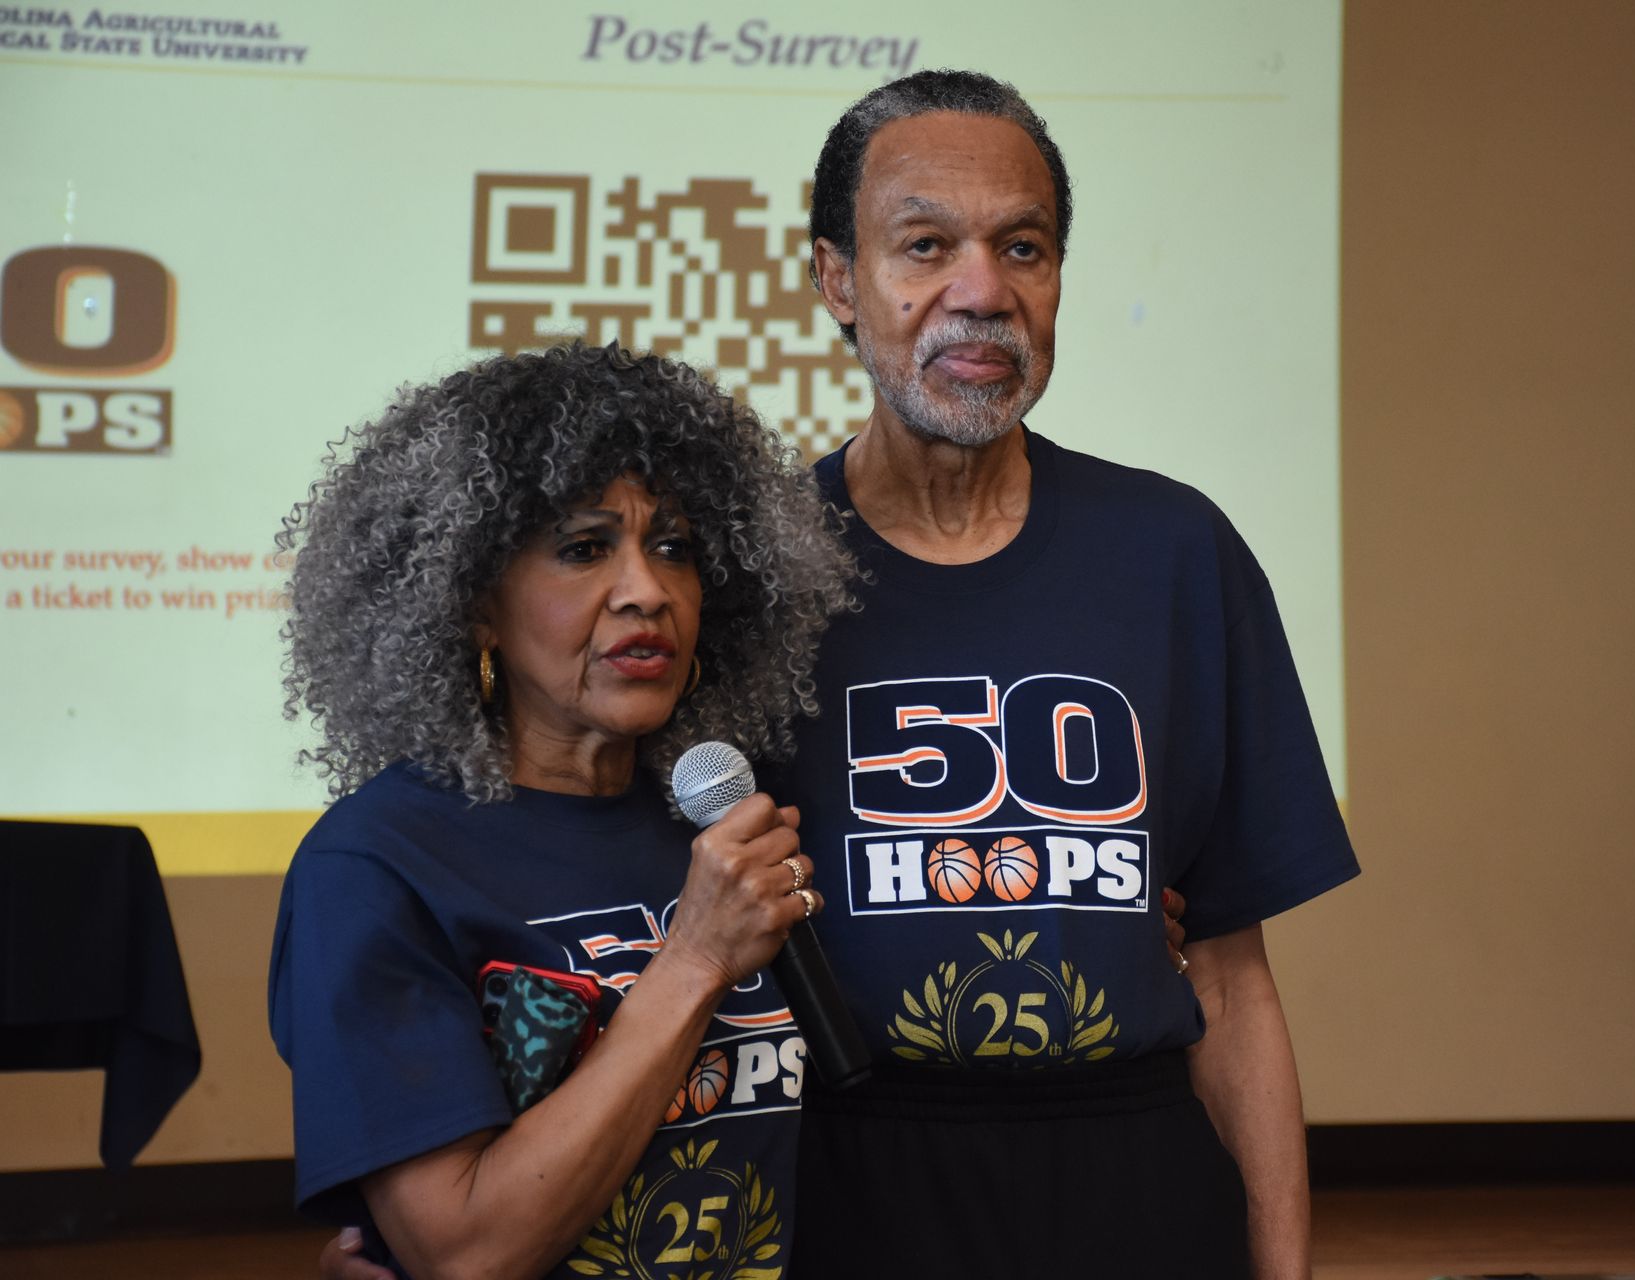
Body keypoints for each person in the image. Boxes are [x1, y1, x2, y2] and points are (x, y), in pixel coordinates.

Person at [769, 70, 1359, 1279]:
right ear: (836, 277)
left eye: (1023, 247)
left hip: (1136, 1177)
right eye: (924, 245)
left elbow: (1235, 985)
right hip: (842, 1181)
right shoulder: (747, 577)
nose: (981, 293)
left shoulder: (1175, 552)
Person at [269, 340, 859, 1279]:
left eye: (675, 549)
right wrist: (695, 961)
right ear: (473, 605)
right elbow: (468, 1252)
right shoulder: (378, 867)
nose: (647, 591)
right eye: (585, 550)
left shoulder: (718, 825)